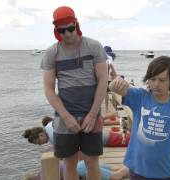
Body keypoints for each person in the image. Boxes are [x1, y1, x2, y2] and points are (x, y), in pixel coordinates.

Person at [40, 6, 108, 180]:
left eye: (70, 28)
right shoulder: (51, 53)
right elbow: (49, 89)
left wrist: (93, 114)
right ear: (56, 31)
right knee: (69, 163)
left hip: (91, 115)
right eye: (61, 30)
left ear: (76, 24)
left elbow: (102, 80)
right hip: (64, 119)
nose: (67, 34)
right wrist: (66, 116)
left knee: (92, 162)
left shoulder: (93, 46)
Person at [23, 160, 127, 180]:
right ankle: (131, 167)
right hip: (81, 164)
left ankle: (136, 167)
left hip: (81, 170)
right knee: (116, 168)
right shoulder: (44, 169)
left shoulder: (45, 178)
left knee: (116, 176)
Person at [104, 46, 117, 113]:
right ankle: (108, 108)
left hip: (103, 78)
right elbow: (110, 66)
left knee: (106, 93)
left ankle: (106, 108)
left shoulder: (101, 56)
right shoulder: (110, 57)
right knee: (112, 92)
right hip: (108, 78)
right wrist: (115, 75)